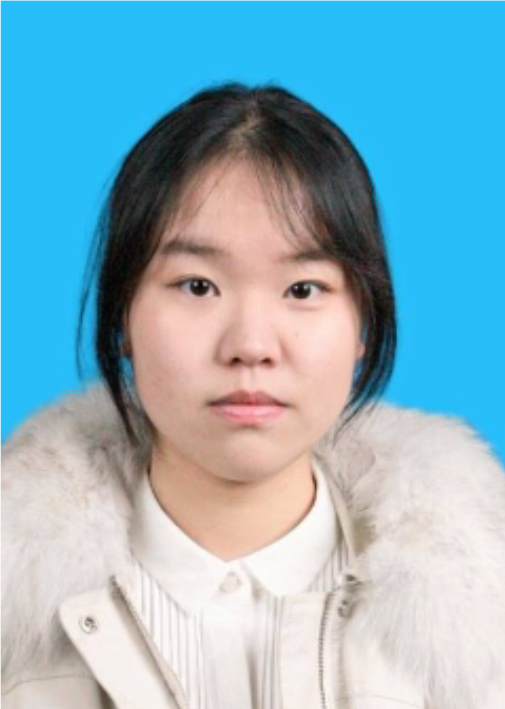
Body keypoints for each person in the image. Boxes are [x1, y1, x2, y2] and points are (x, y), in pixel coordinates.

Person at [1, 82, 504, 709]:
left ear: (363, 327)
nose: (251, 345)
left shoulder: (480, 634)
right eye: (197, 285)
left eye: (302, 290)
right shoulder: (14, 628)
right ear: (122, 317)